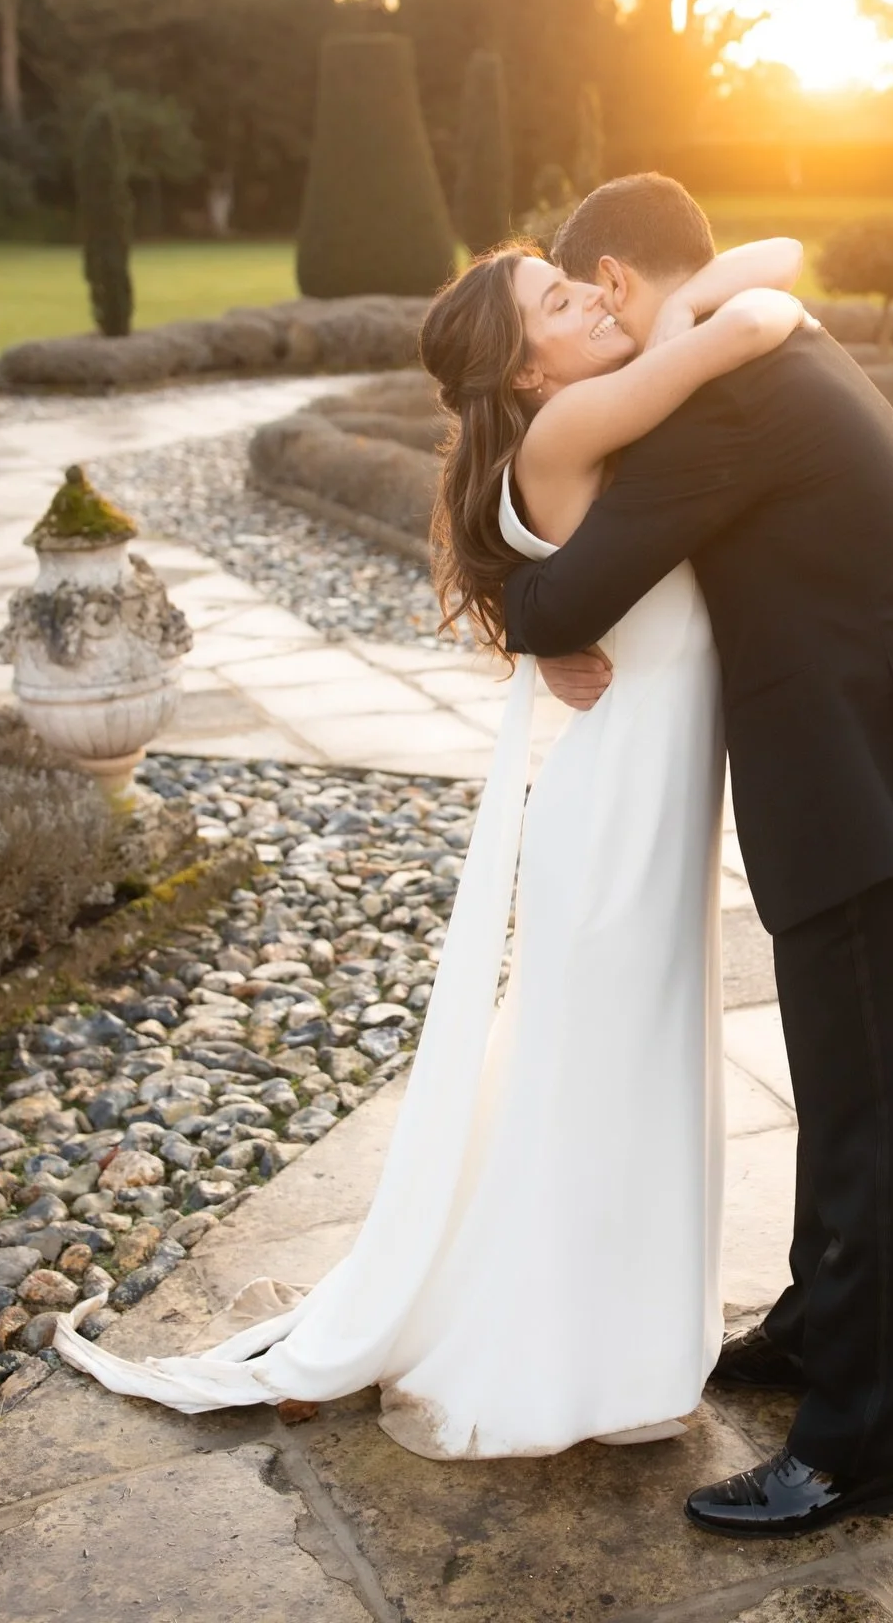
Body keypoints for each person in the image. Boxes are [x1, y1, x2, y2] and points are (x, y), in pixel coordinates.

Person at [51, 228, 807, 1460]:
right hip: (616, 828)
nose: (594, 297)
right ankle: (574, 1361)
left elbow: (767, 254)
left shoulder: (592, 417)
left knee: (625, 1085)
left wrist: (653, 315)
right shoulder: (572, 434)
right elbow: (761, 313)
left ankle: (623, 1350)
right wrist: (682, 319)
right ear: (524, 373)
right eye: (564, 299)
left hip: (652, 818)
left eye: (584, 280)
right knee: (604, 1092)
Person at [504, 173, 893, 1539]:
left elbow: (562, 590)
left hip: (874, 788)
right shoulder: (760, 329)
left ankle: (855, 1444)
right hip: (886, 765)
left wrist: (527, 603)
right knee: (850, 1094)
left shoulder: (721, 395)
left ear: (615, 283)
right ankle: (813, 1328)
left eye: (578, 294)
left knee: (880, 1120)